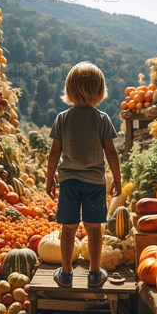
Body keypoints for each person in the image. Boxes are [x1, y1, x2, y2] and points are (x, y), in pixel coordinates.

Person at [46, 61, 122, 288]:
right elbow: (111, 152)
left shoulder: (63, 118)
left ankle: (66, 273)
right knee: (94, 227)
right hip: (95, 183)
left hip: (68, 182)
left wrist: (49, 179)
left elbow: (53, 153)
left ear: (69, 89)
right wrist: (117, 179)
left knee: (68, 228)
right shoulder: (101, 119)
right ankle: (95, 273)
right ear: (100, 91)